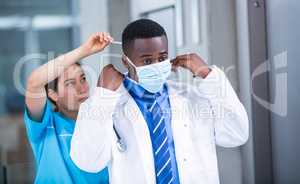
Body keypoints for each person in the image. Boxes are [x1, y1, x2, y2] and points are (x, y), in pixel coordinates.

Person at [70, 19, 249, 184]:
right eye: (147, 60)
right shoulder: (106, 105)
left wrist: (208, 76)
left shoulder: (192, 97)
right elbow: (88, 162)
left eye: (162, 58)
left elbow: (237, 134)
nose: (157, 64)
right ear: (126, 61)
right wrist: (103, 96)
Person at [24, 32, 113, 183]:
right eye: (70, 83)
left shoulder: (102, 121)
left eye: (83, 79)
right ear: (53, 95)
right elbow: (34, 82)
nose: (82, 88)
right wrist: (85, 50)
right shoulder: (45, 125)